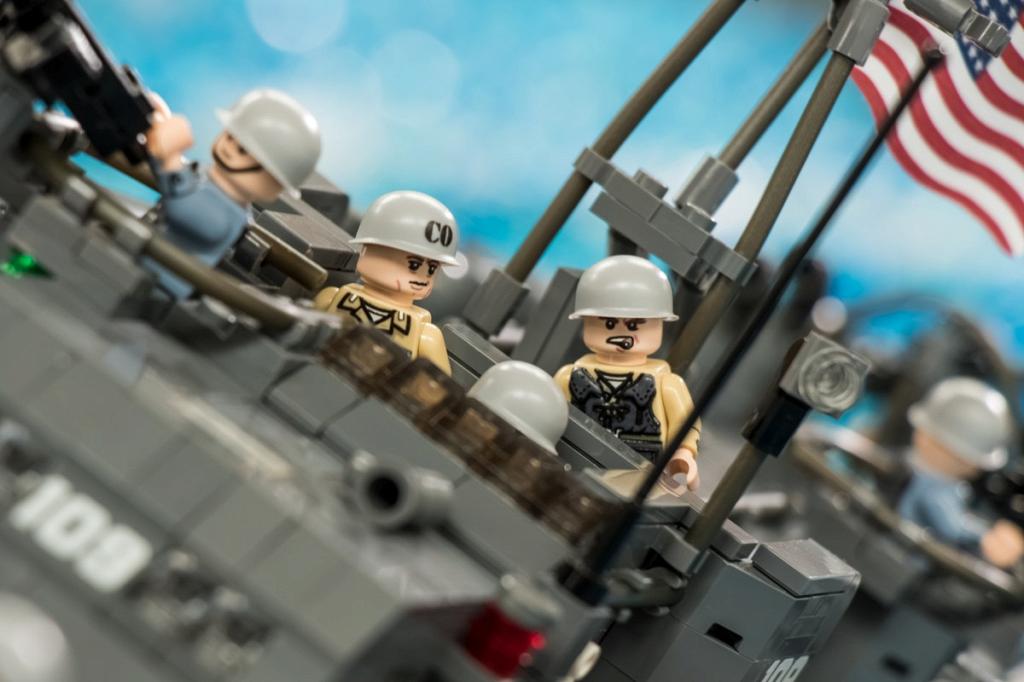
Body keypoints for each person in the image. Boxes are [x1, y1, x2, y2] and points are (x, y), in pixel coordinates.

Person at [144, 89, 321, 298]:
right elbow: (173, 179)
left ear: (275, 187)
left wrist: (171, 158)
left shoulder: (228, 216)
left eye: (243, 150)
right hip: (142, 252)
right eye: (230, 137)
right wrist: (157, 129)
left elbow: (183, 209)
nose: (229, 148)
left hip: (158, 284)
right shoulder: (203, 178)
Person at [554, 255, 700, 496]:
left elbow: (685, 426)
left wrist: (683, 455)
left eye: (634, 325)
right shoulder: (569, 377)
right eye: (609, 324)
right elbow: (549, 416)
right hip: (573, 472)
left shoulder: (666, 384)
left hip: (640, 479)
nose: (621, 334)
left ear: (659, 324)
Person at [314, 191, 458, 374]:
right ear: (367, 249)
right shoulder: (332, 298)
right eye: (414, 265)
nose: (422, 278)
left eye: (431, 269)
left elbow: (435, 383)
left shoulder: (426, 336)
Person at [898, 376, 1024, 568]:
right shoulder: (933, 488)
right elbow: (951, 526)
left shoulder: (942, 486)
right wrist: (985, 536)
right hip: (905, 561)